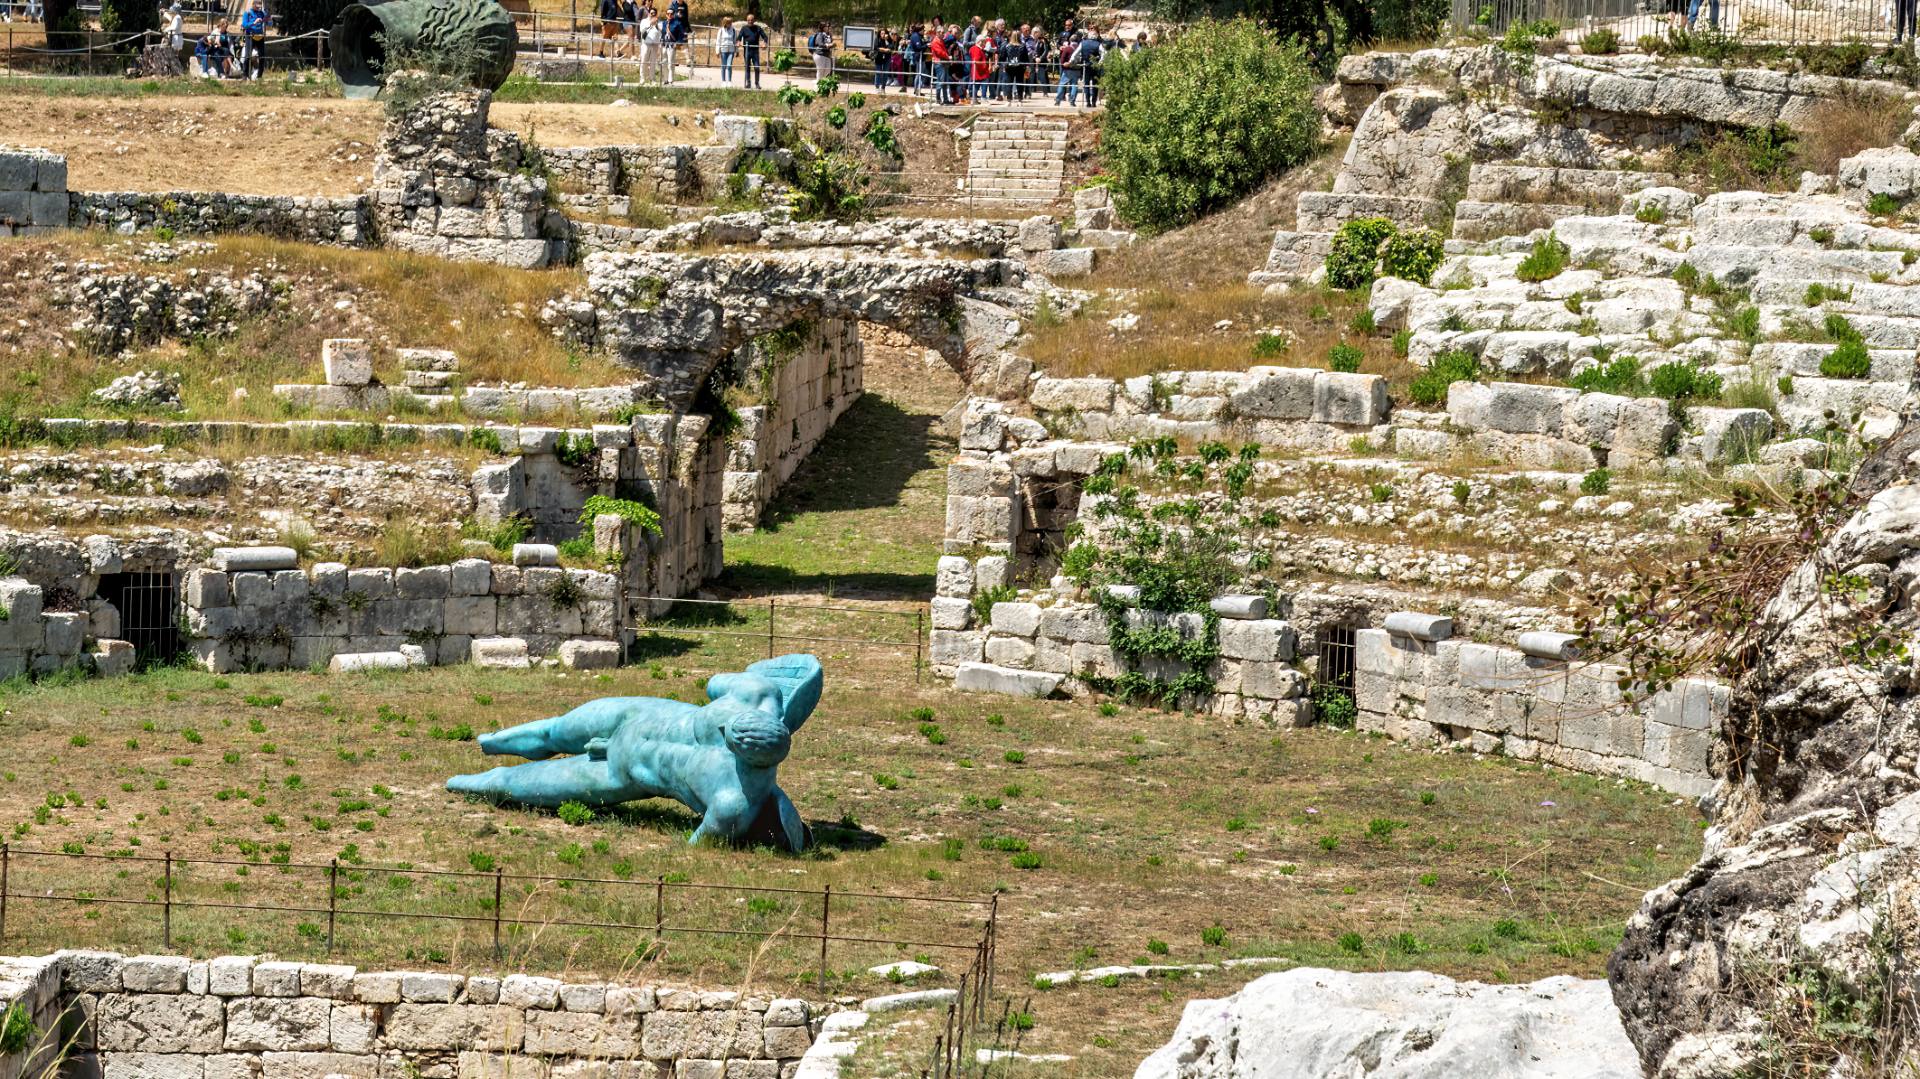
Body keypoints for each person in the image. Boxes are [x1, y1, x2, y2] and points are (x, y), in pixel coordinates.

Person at [238, 0, 267, 80]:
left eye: (260, 5)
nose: (259, 7)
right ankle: (245, 75)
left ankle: (259, 76)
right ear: (253, 4)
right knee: (248, 56)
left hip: (260, 36)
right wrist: (254, 23)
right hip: (250, 36)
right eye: (257, 5)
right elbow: (244, 25)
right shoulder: (247, 13)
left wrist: (268, 19)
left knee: (262, 57)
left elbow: (268, 22)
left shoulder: (261, 13)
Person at [737, 11, 765, 88]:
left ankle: (757, 83)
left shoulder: (758, 28)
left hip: (755, 51)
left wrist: (764, 43)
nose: (750, 21)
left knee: (757, 67)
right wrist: (738, 42)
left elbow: (765, 37)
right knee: (747, 67)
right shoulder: (744, 28)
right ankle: (748, 83)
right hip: (747, 51)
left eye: (751, 20)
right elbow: (739, 37)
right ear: (747, 20)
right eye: (748, 20)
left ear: (754, 20)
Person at [716, 16, 735, 82]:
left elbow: (735, 41)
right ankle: (723, 81)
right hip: (723, 50)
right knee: (724, 65)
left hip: (731, 50)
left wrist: (737, 50)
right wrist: (717, 51)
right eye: (728, 23)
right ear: (725, 23)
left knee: (729, 66)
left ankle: (729, 81)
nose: (730, 24)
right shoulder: (721, 30)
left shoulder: (733, 30)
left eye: (730, 23)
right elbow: (718, 41)